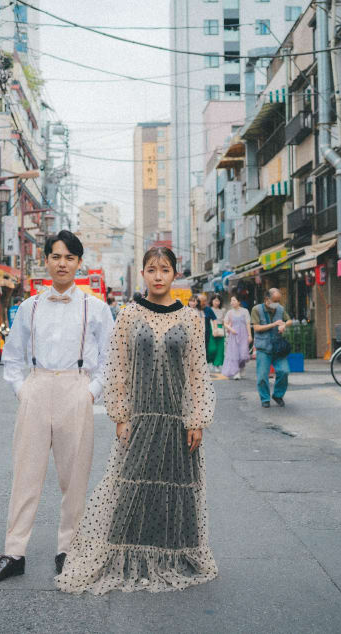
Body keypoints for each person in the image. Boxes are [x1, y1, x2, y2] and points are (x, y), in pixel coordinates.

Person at [57, 246, 217, 594]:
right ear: (143, 274)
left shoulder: (191, 318)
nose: (158, 276)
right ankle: (130, 560)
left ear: (175, 274)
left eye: (164, 270)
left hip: (177, 418)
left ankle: (174, 559)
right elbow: (118, 368)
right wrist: (119, 414)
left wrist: (197, 419)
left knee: (176, 488)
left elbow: (197, 371)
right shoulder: (129, 315)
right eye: (151, 269)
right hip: (142, 417)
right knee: (131, 485)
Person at [0, 230, 114, 584]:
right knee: (26, 473)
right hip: (37, 387)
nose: (62, 263)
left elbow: (112, 361)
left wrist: (91, 392)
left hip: (76, 388)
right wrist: (24, 390)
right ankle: (14, 552)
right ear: (47, 261)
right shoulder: (29, 306)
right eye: (56, 256)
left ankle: (68, 550)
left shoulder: (96, 309)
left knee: (75, 477)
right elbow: (12, 357)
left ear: (79, 263)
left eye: (69, 257)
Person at [250, 288, 291, 408]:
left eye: (278, 301)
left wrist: (284, 324)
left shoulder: (280, 309)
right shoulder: (256, 309)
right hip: (263, 347)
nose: (277, 304)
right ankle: (265, 398)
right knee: (262, 376)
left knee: (284, 371)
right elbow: (256, 328)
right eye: (275, 301)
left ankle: (278, 395)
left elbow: (289, 320)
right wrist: (274, 325)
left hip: (278, 347)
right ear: (267, 300)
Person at [221, 295, 252, 380]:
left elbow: (248, 323)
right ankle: (236, 372)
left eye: (234, 300)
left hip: (244, 335)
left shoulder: (245, 311)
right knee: (234, 354)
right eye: (231, 301)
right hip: (234, 335)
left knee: (243, 354)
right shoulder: (229, 312)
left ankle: (242, 367)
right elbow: (225, 323)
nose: (232, 302)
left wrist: (250, 335)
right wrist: (231, 329)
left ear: (239, 302)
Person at [205, 295, 225, 371]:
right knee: (211, 348)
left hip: (220, 329)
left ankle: (217, 364)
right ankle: (210, 362)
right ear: (212, 301)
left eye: (218, 301)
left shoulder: (222, 310)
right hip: (211, 328)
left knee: (220, 348)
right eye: (215, 300)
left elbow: (224, 321)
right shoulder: (209, 309)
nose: (217, 302)